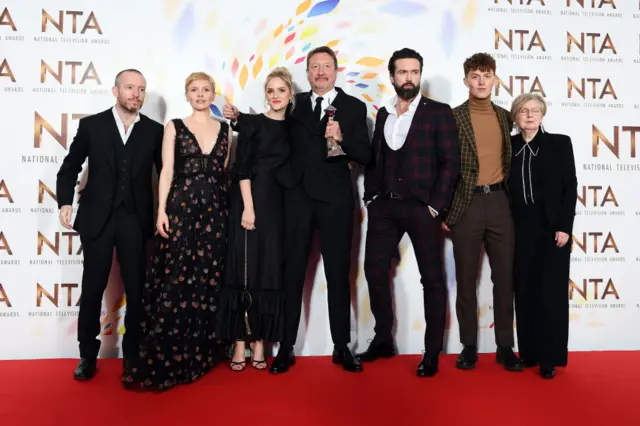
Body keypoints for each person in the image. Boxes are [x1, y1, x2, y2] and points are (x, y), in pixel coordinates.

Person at [224, 46, 371, 373]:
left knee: (337, 274)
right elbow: (268, 124)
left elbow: (365, 154)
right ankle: (286, 347)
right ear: (307, 74)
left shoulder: (354, 107)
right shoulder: (296, 104)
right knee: (292, 275)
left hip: (335, 202)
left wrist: (342, 138)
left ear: (335, 70)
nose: (320, 72)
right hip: (295, 200)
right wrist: (238, 119)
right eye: (314, 67)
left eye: (326, 67)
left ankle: (341, 346)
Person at [121, 72, 231, 391]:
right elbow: (166, 171)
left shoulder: (225, 129)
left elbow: (222, 173)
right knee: (177, 277)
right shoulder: (175, 127)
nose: (200, 95)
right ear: (187, 95)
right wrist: (161, 212)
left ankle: (201, 353)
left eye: (205, 90)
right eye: (194, 90)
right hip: (181, 209)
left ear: (213, 94)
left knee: (208, 278)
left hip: (215, 212)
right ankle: (171, 354)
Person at [357, 48, 460, 377]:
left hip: (421, 208)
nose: (409, 78)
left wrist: (435, 205)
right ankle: (383, 338)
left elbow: (450, 164)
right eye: (403, 72)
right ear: (392, 77)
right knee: (374, 270)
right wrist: (370, 196)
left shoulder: (439, 113)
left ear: (419, 75)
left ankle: (432, 352)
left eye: (414, 72)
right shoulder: (384, 114)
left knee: (432, 279)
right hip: (384, 206)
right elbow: (376, 159)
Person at [56, 69, 164, 380]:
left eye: (142, 89)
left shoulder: (155, 131)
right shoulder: (92, 126)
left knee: (137, 291)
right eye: (130, 88)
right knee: (92, 290)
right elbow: (70, 167)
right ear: (115, 91)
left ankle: (132, 356)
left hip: (135, 220)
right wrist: (65, 202)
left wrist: (166, 212)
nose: (136, 94)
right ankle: (87, 356)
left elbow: (167, 177)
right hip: (97, 219)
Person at [443, 53, 524, 371]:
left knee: (505, 279)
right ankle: (468, 347)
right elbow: (443, 166)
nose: (480, 81)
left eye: (486, 75)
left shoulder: (506, 117)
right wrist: (446, 211)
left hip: (502, 204)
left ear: (494, 80)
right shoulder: (452, 117)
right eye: (474, 75)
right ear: (466, 81)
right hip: (467, 205)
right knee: (466, 279)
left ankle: (505, 346)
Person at [216, 67, 292, 372]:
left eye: (281, 91)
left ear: (290, 94)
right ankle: (239, 341)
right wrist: (248, 208)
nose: (275, 96)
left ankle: (260, 340)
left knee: (267, 271)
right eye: (270, 91)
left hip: (278, 209)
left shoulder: (295, 128)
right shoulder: (253, 125)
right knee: (241, 269)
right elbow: (242, 168)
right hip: (249, 203)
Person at [508, 93, 576, 379]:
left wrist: (564, 226)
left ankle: (549, 357)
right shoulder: (508, 146)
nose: (530, 115)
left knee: (551, 293)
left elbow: (570, 187)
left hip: (551, 230)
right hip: (517, 228)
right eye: (524, 110)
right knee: (524, 290)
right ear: (516, 116)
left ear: (543, 115)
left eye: (536, 110)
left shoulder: (559, 143)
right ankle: (530, 353)